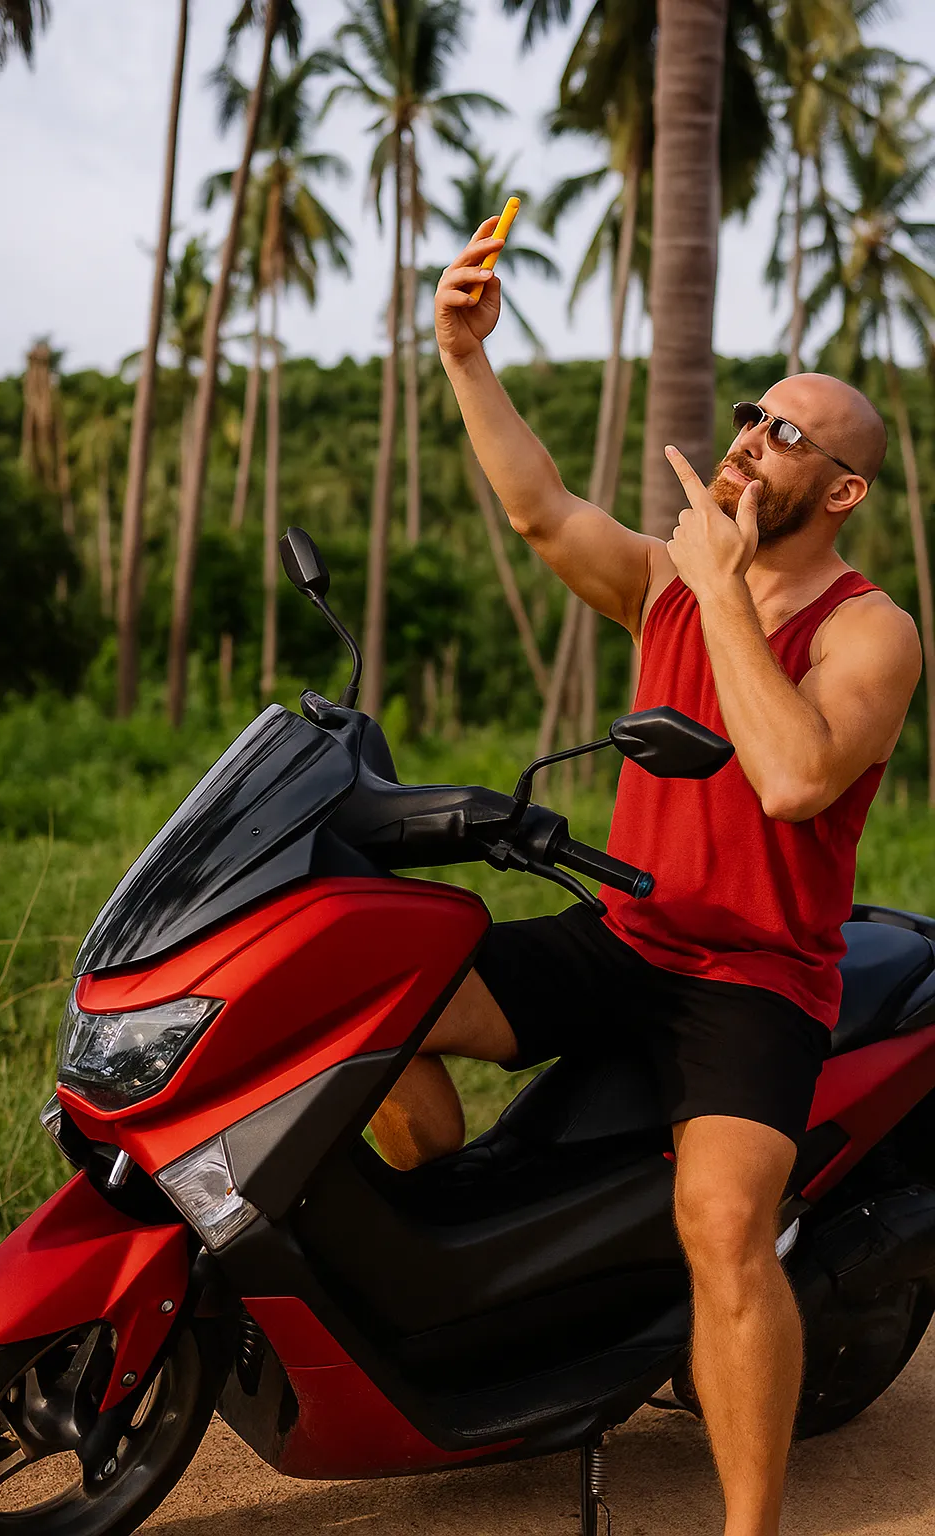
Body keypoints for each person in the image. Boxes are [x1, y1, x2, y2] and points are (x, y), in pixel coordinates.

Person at [369, 216, 922, 1536]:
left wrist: (722, 588)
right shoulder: (669, 582)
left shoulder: (871, 632)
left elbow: (793, 778)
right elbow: (540, 507)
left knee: (725, 1230)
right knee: (363, 992)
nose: (750, 438)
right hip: (628, 932)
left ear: (841, 491)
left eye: (786, 433)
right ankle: (464, 1246)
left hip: (755, 981)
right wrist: (463, 356)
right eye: (751, 417)